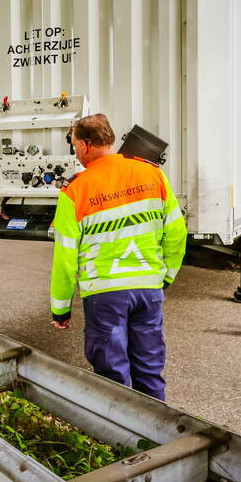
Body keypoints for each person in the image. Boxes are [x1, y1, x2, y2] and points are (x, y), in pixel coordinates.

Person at [49, 114, 187, 401]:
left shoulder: (74, 191)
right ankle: (156, 424)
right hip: (148, 289)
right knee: (149, 368)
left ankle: (119, 429)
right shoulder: (153, 174)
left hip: (105, 294)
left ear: (85, 145)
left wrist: (60, 309)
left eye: (74, 146)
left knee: (112, 375)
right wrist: (167, 276)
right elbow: (176, 233)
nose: (76, 152)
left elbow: (65, 258)